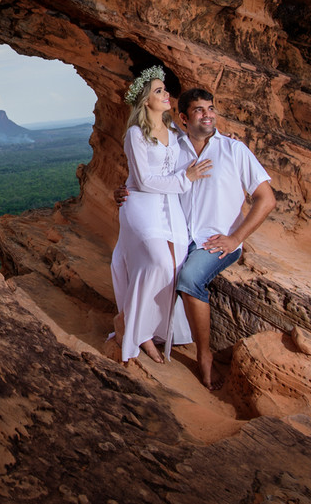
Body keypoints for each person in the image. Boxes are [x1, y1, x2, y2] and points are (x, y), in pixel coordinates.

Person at [172, 87, 276, 389]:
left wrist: (235, 238)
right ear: (183, 118)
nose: (208, 115)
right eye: (199, 110)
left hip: (214, 241)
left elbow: (266, 199)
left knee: (190, 277)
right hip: (178, 236)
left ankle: (204, 356)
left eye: (211, 108)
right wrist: (124, 191)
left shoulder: (234, 150)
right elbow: (150, 180)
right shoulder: (172, 149)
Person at [108, 66, 212, 364]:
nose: (166, 94)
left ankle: (152, 330)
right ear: (145, 102)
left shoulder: (176, 134)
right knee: (157, 262)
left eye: (165, 90)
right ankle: (136, 331)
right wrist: (186, 179)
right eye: (159, 91)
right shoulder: (135, 134)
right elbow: (142, 180)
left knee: (174, 268)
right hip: (140, 204)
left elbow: (201, 140)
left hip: (171, 209)